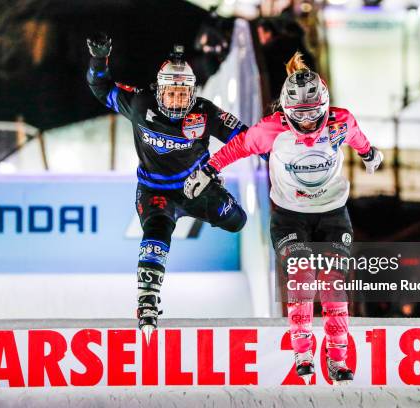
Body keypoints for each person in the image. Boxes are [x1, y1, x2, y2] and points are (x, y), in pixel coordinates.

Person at [184, 52, 383, 384]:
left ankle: (338, 357)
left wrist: (369, 153)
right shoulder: (271, 129)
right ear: (286, 111)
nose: (306, 124)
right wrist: (207, 169)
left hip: (332, 214)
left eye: (313, 115)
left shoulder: (340, 121)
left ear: (326, 107)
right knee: (302, 277)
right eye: (299, 116)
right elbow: (238, 147)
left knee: (333, 285)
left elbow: (358, 138)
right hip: (289, 217)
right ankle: (302, 352)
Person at [86, 33, 248, 342]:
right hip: (154, 191)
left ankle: (209, 199)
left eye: (182, 95)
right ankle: (147, 298)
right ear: (159, 92)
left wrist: (282, 148)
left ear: (192, 94)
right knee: (156, 231)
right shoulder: (139, 102)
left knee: (238, 222)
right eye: (171, 95)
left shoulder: (205, 112)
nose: (176, 102)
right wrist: (99, 61)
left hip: (195, 188)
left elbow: (248, 138)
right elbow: (100, 88)